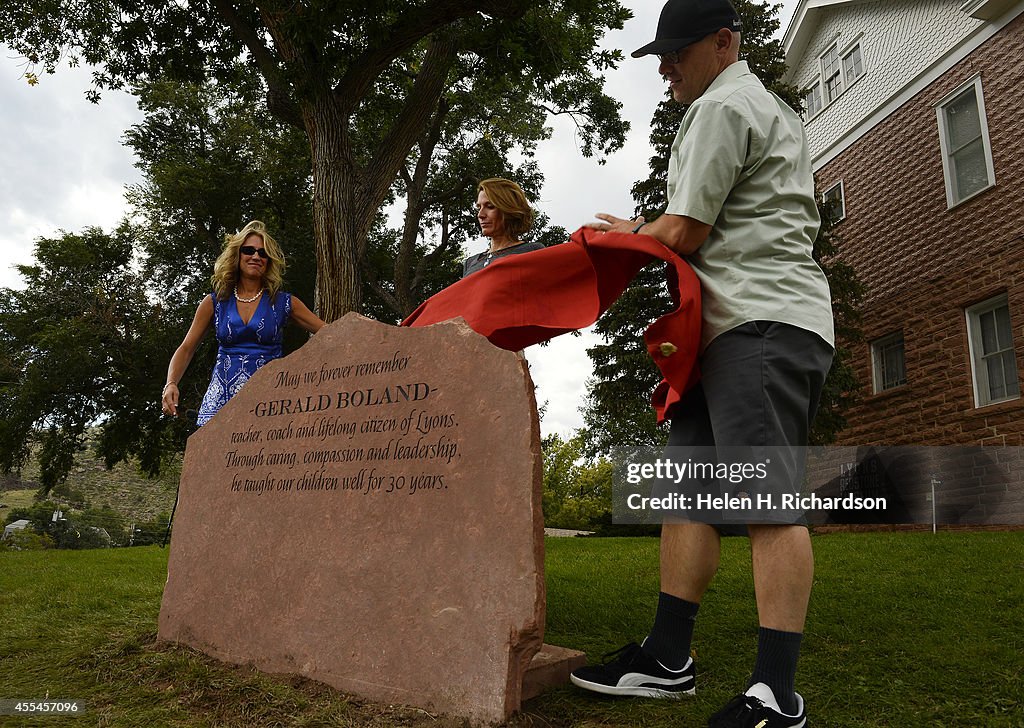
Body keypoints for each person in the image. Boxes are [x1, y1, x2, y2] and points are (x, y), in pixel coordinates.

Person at [569, 1, 834, 726]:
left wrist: (615, 244)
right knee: (687, 495)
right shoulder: (748, 104)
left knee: (765, 501)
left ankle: (776, 694)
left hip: (763, 322)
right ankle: (667, 656)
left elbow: (685, 230)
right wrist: (637, 229)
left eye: (676, 53)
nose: (665, 68)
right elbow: (692, 219)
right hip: (726, 327)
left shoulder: (724, 106)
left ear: (724, 42)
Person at [161, 220, 325, 426]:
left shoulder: (284, 302)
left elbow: (328, 333)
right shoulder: (215, 302)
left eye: (263, 253)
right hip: (220, 400)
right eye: (249, 250)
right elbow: (186, 348)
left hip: (268, 400)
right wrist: (171, 383)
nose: (256, 256)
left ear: (269, 261)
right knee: (210, 455)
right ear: (237, 255)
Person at [462, 178, 545, 277]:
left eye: (490, 206)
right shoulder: (470, 263)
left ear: (508, 209)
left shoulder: (532, 251)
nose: (480, 215)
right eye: (479, 207)